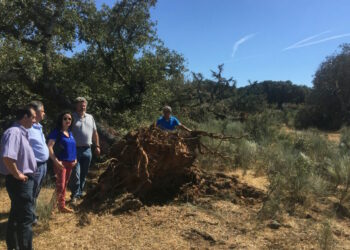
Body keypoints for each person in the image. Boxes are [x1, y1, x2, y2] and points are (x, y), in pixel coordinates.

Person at [0, 106, 37, 250]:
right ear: (25, 117)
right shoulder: (14, 133)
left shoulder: (21, 133)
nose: (35, 121)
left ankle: (13, 246)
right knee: (26, 219)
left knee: (16, 216)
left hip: (21, 181)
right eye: (33, 117)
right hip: (19, 182)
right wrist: (18, 174)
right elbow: (8, 157)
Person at [69, 97, 100, 203]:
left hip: (87, 149)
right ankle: (74, 195)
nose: (83, 107)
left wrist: (97, 146)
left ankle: (79, 193)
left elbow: (95, 133)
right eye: (80, 105)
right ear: (76, 106)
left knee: (84, 173)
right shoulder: (71, 117)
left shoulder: (90, 117)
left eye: (84, 105)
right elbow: (65, 132)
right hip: (74, 150)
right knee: (75, 174)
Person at [47, 111, 77, 213]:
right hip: (61, 164)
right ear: (61, 120)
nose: (67, 120)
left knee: (64, 185)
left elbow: (73, 147)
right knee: (60, 185)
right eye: (65, 118)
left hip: (71, 163)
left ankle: (61, 206)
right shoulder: (57, 132)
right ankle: (51, 208)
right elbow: (49, 146)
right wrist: (55, 160)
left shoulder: (70, 133)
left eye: (69, 119)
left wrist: (75, 159)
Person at [27, 101, 49, 224]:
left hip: (43, 165)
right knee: (31, 192)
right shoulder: (27, 128)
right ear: (36, 112)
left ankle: (31, 214)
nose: (44, 113)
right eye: (43, 111)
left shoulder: (38, 126)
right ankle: (30, 218)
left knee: (36, 192)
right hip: (35, 166)